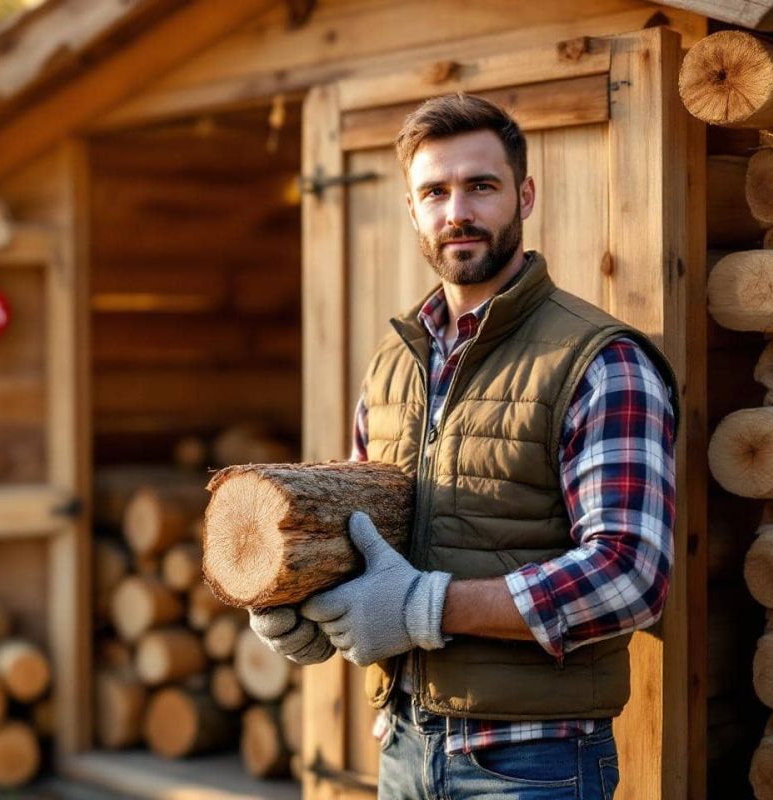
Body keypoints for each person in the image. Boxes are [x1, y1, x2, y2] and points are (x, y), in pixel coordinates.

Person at [249, 93, 679, 799]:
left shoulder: (599, 361)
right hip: (402, 746)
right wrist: (303, 609)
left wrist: (426, 607)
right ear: (412, 208)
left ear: (525, 195)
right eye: (435, 192)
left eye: (481, 186)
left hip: (534, 764)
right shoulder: (394, 364)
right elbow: (366, 543)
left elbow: (630, 575)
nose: (458, 212)